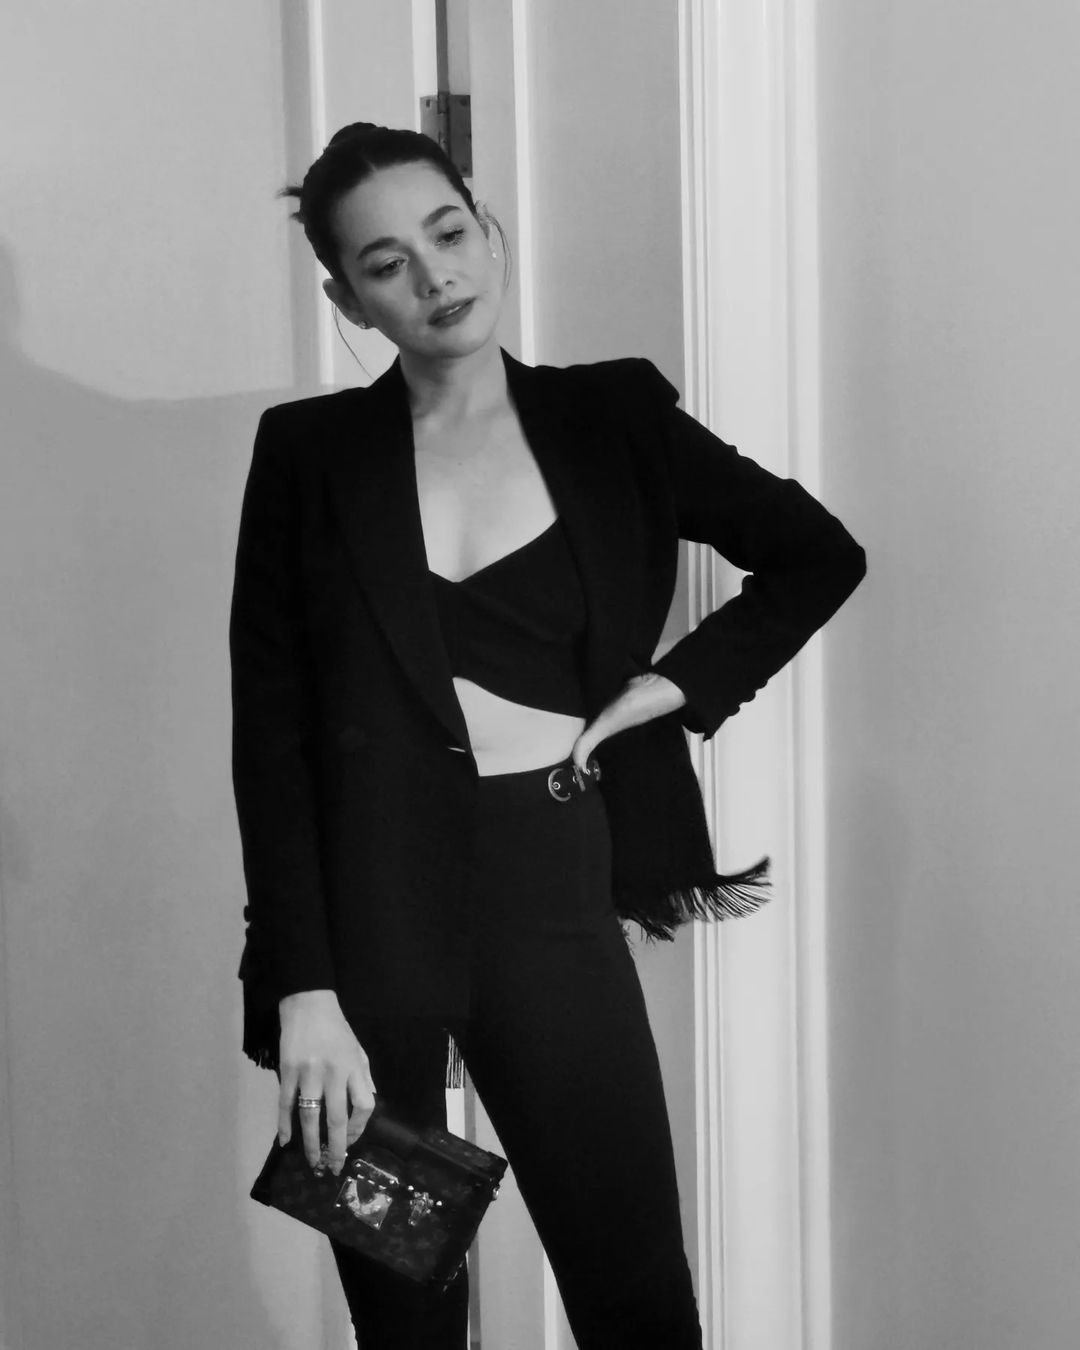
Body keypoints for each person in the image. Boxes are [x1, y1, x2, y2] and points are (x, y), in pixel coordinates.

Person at [229, 121, 867, 1349]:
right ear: (348, 300)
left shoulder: (608, 417)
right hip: (366, 926)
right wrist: (303, 988)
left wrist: (677, 687)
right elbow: (273, 735)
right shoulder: (309, 455)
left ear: (490, 230)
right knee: (404, 1311)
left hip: (548, 891)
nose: (434, 276)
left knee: (635, 1300)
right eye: (386, 264)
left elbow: (817, 554)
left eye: (448, 233)